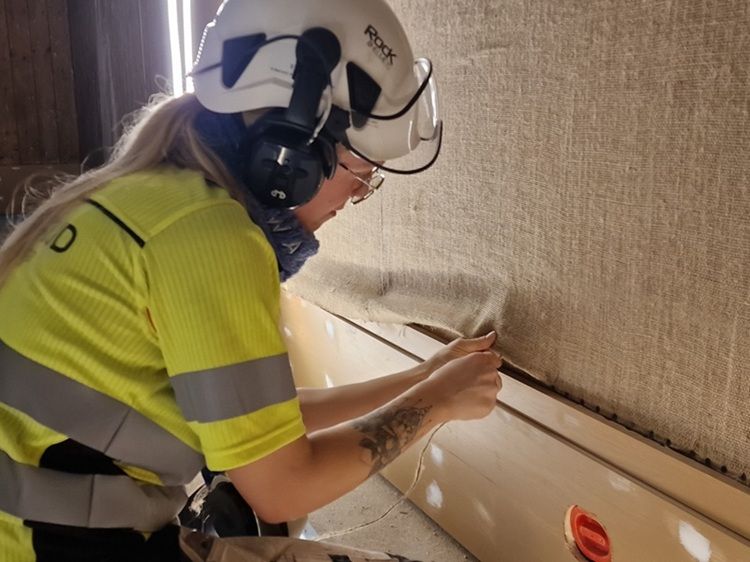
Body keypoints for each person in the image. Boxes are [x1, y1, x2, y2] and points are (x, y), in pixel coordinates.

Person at [0, 0, 502, 560]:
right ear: (294, 151)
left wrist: (423, 376)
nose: (356, 197)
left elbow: (263, 421)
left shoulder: (152, 198)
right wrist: (437, 401)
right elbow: (283, 486)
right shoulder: (211, 237)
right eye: (362, 173)